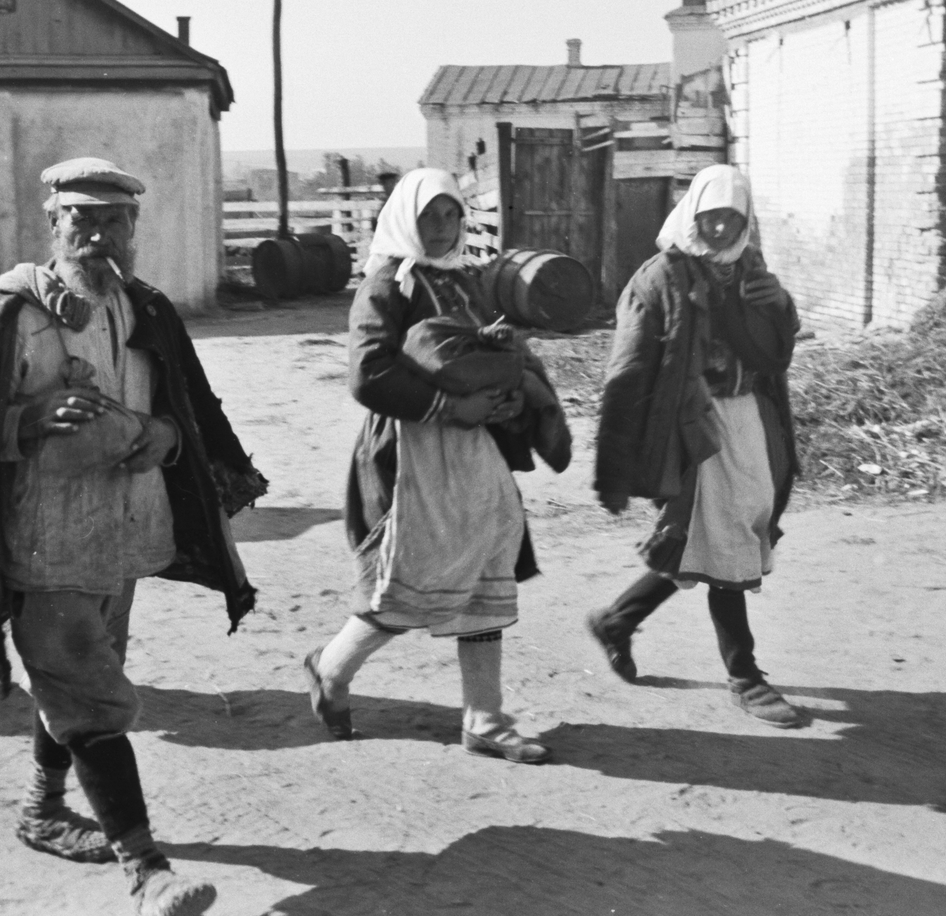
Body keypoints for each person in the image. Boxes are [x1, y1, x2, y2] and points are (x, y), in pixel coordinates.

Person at [0, 157, 265, 916]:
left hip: (124, 531)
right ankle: (148, 869)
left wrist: (166, 434)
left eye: (114, 221)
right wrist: (26, 422)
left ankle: (43, 808)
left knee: (82, 677)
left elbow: (189, 410)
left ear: (134, 228)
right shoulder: (7, 312)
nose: (99, 235)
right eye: (83, 219)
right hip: (40, 535)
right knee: (89, 690)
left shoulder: (145, 309)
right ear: (54, 224)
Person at [304, 168, 569, 765]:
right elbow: (367, 374)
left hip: (476, 452)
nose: (443, 227)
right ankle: (331, 668)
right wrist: (451, 404)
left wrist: (504, 386)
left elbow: (476, 351)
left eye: (452, 215)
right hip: (413, 452)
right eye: (431, 216)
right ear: (404, 219)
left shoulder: (466, 283)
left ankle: (484, 718)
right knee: (408, 580)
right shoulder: (385, 285)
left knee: (482, 572)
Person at [585, 165, 807, 728]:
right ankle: (746, 677)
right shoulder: (659, 276)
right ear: (692, 214)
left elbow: (775, 352)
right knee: (724, 539)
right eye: (710, 215)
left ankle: (618, 619)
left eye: (731, 217)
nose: (719, 227)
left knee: (710, 538)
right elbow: (629, 366)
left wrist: (779, 305)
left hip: (749, 421)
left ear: (744, 220)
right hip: (691, 428)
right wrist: (618, 457)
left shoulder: (751, 269)